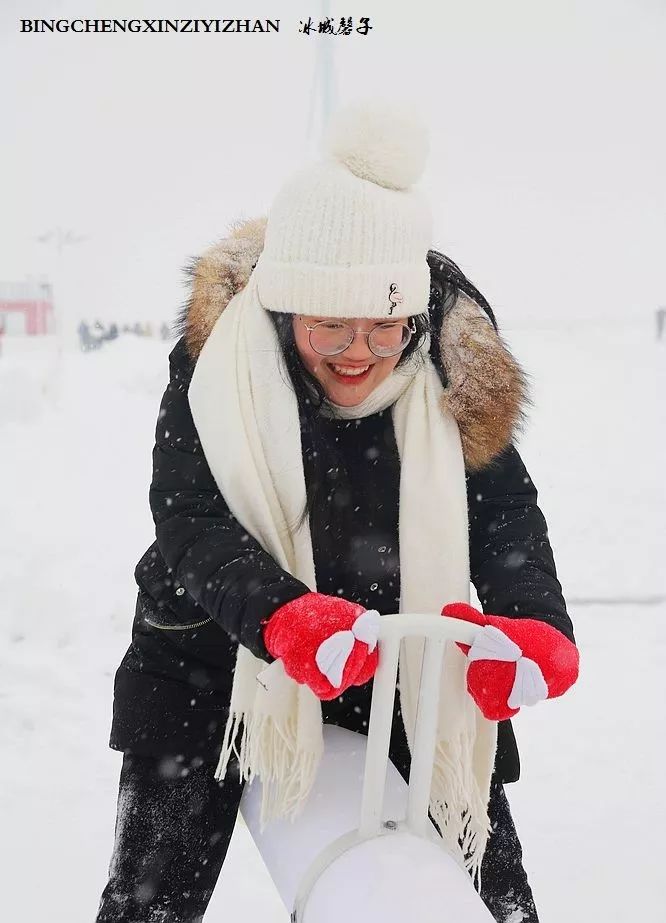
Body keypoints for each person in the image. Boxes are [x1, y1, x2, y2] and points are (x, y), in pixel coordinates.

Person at [96, 102, 578, 923]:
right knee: (150, 904)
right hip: (208, 662)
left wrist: (534, 622)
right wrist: (285, 617)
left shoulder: (451, 374)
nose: (360, 352)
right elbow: (191, 519)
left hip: (396, 663)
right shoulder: (219, 366)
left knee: (497, 900)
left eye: (387, 328)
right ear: (287, 309)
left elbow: (503, 512)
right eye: (331, 326)